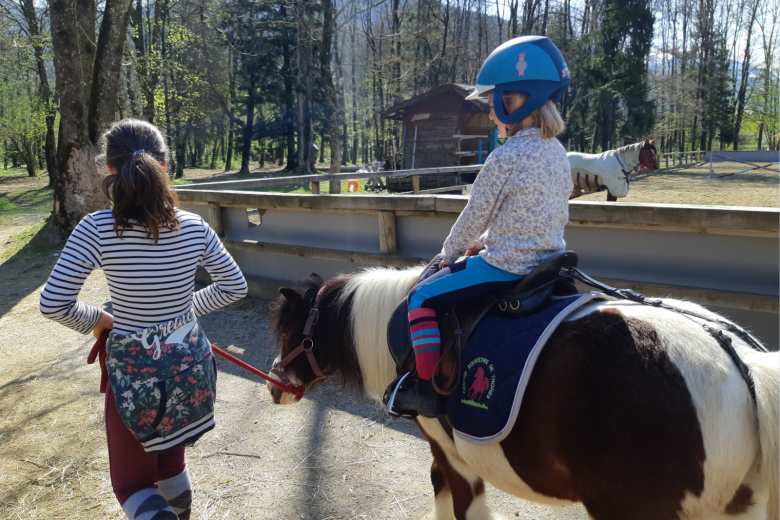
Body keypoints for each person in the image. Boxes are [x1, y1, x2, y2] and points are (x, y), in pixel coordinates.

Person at [39, 119, 248, 519]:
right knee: (170, 465)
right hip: (189, 369)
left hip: (135, 377)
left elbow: (54, 304)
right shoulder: (194, 226)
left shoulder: (96, 229)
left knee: (133, 485)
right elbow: (233, 287)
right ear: (165, 167)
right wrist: (181, 314)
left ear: (110, 169)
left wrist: (100, 319)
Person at [390, 36, 572, 417]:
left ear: (514, 100)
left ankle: (425, 390)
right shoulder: (558, 153)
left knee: (421, 297)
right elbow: (532, 213)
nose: (491, 115)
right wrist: (487, 240)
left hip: (506, 267)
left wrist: (448, 254)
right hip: (549, 261)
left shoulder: (505, 157)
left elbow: (473, 217)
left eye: (493, 104)